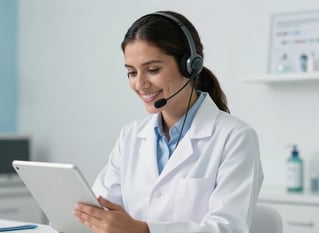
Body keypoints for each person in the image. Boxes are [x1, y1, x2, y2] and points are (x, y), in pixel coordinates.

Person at [74, 10, 264, 233]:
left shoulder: (235, 137)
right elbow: (99, 208)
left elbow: (228, 228)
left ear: (190, 66)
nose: (140, 84)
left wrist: (143, 231)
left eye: (153, 70)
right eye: (131, 73)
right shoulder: (131, 136)